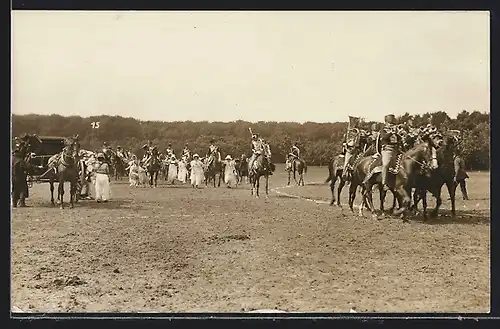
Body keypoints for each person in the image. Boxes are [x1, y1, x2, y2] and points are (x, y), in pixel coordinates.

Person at [378, 114, 402, 191]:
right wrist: (391, 132)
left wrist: (398, 134)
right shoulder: (383, 130)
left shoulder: (396, 131)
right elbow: (384, 138)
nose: (391, 125)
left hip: (396, 150)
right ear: (386, 123)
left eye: (393, 123)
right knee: (386, 164)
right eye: (390, 123)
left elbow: (399, 140)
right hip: (387, 150)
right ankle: (384, 183)